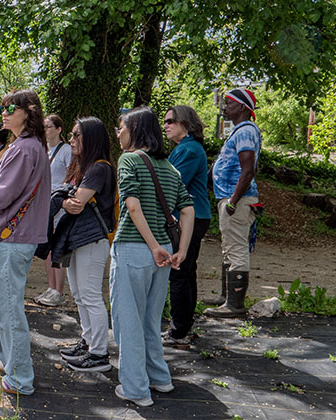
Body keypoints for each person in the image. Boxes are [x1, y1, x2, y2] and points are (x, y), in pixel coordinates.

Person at [111, 107, 194, 407]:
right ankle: (159, 377)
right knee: (150, 319)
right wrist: (180, 250)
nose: (118, 134)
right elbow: (188, 209)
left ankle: (135, 389)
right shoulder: (170, 168)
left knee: (129, 321)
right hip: (165, 254)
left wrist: (152, 245)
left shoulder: (129, 160)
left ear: (135, 129)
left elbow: (132, 206)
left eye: (121, 127)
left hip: (135, 248)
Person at [0, 90, 50, 396]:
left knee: (8, 309)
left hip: (13, 237)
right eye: (2, 108)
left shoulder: (24, 148)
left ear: (29, 111)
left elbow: (2, 194)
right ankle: (9, 361)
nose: (3, 113)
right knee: (3, 306)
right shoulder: (30, 145)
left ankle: (19, 378)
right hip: (16, 236)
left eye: (10, 108)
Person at [54, 117, 115, 372]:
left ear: (90, 138)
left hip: (92, 239)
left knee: (89, 295)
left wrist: (63, 198)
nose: (70, 140)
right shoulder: (85, 168)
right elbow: (68, 199)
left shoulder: (99, 169)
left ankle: (99, 354)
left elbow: (77, 203)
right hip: (79, 238)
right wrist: (64, 199)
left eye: (75, 135)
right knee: (79, 295)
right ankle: (88, 342)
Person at [204, 88, 262, 318]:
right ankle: (226, 298)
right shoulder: (240, 131)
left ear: (242, 107)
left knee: (236, 248)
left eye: (229, 103)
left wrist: (233, 201)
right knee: (229, 247)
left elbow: (248, 170)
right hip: (231, 197)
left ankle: (235, 305)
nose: (225, 107)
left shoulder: (246, 131)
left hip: (236, 199)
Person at [162, 105, 211, 344]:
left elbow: (172, 184)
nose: (166, 125)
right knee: (186, 272)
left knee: (180, 272)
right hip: (193, 216)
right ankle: (183, 326)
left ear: (186, 123)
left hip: (190, 217)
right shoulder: (187, 148)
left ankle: (179, 330)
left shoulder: (188, 149)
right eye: (165, 121)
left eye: (171, 121)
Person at [36, 114, 73, 307]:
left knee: (57, 246)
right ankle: (51, 288)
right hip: (44, 203)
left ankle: (59, 291)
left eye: (49, 127)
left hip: (58, 204)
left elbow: (71, 176)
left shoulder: (66, 150)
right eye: (43, 127)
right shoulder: (43, 150)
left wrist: (63, 197)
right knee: (46, 246)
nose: (45, 130)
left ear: (59, 129)